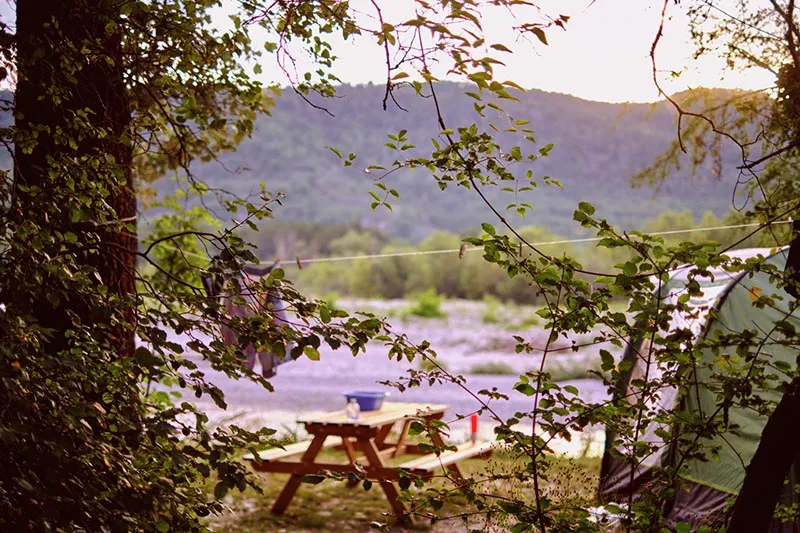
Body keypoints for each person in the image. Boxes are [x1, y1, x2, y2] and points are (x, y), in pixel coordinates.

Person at [202, 258, 296, 378]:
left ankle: (217, 277)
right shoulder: (271, 352)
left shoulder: (269, 351)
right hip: (248, 313)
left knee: (240, 301)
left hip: (244, 313)